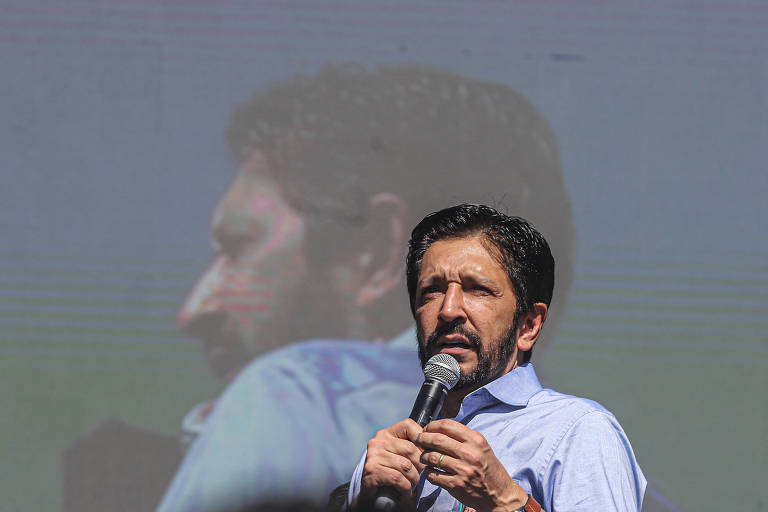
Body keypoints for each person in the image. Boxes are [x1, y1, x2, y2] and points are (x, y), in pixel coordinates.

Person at [156, 65, 576, 512]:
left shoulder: (295, 391)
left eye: (238, 246)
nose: (194, 310)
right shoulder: (588, 451)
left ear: (373, 252)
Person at [346, 204, 646, 512]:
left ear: (529, 325)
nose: (448, 310)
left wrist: (507, 501)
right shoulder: (388, 453)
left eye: (478, 290)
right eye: (432, 291)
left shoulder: (576, 430)